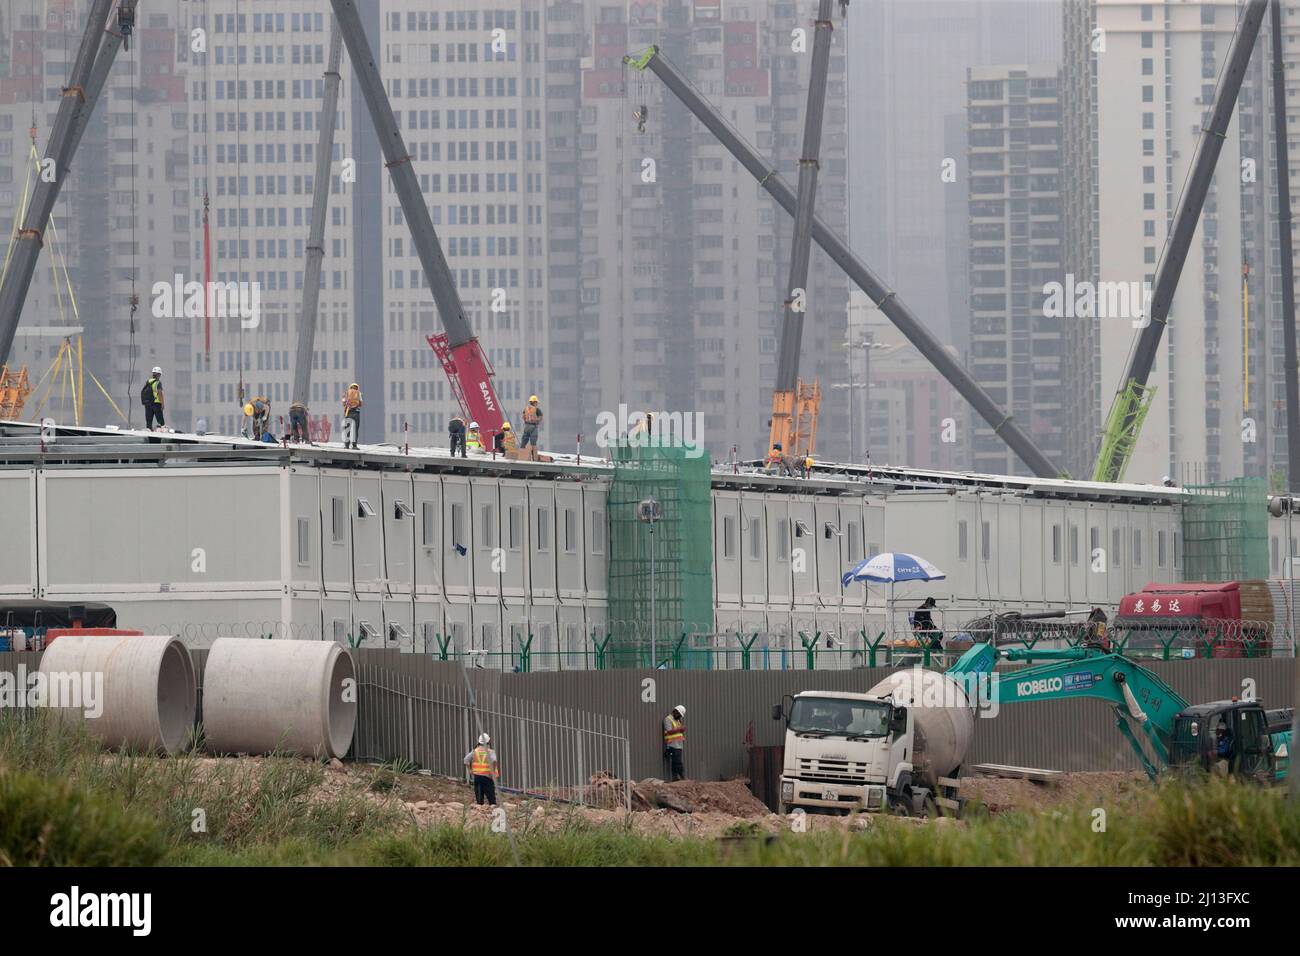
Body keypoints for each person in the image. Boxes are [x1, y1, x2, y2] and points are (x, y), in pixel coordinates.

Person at [463, 732, 500, 806]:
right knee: (491, 798)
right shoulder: (490, 751)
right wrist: (492, 771)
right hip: (487, 777)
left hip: (477, 777)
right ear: (488, 741)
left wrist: (470, 770)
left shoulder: (475, 751)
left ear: (479, 741)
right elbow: (494, 761)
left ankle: (480, 811)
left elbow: (466, 760)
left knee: (479, 798)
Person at [662, 704, 686, 782]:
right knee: (677, 762)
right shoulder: (668, 719)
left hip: (678, 745)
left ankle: (676, 777)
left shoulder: (677, 720)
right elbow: (668, 731)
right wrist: (680, 729)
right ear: (676, 712)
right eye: (679, 715)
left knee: (676, 762)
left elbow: (678, 731)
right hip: (672, 744)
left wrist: (681, 730)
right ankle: (682, 777)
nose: (680, 717)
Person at [341, 383, 363, 449]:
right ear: (357, 387)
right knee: (355, 429)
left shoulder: (347, 393)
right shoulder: (359, 393)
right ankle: (354, 445)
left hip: (348, 413)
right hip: (356, 413)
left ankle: (347, 445)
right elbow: (361, 403)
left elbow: (344, 403)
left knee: (347, 429)